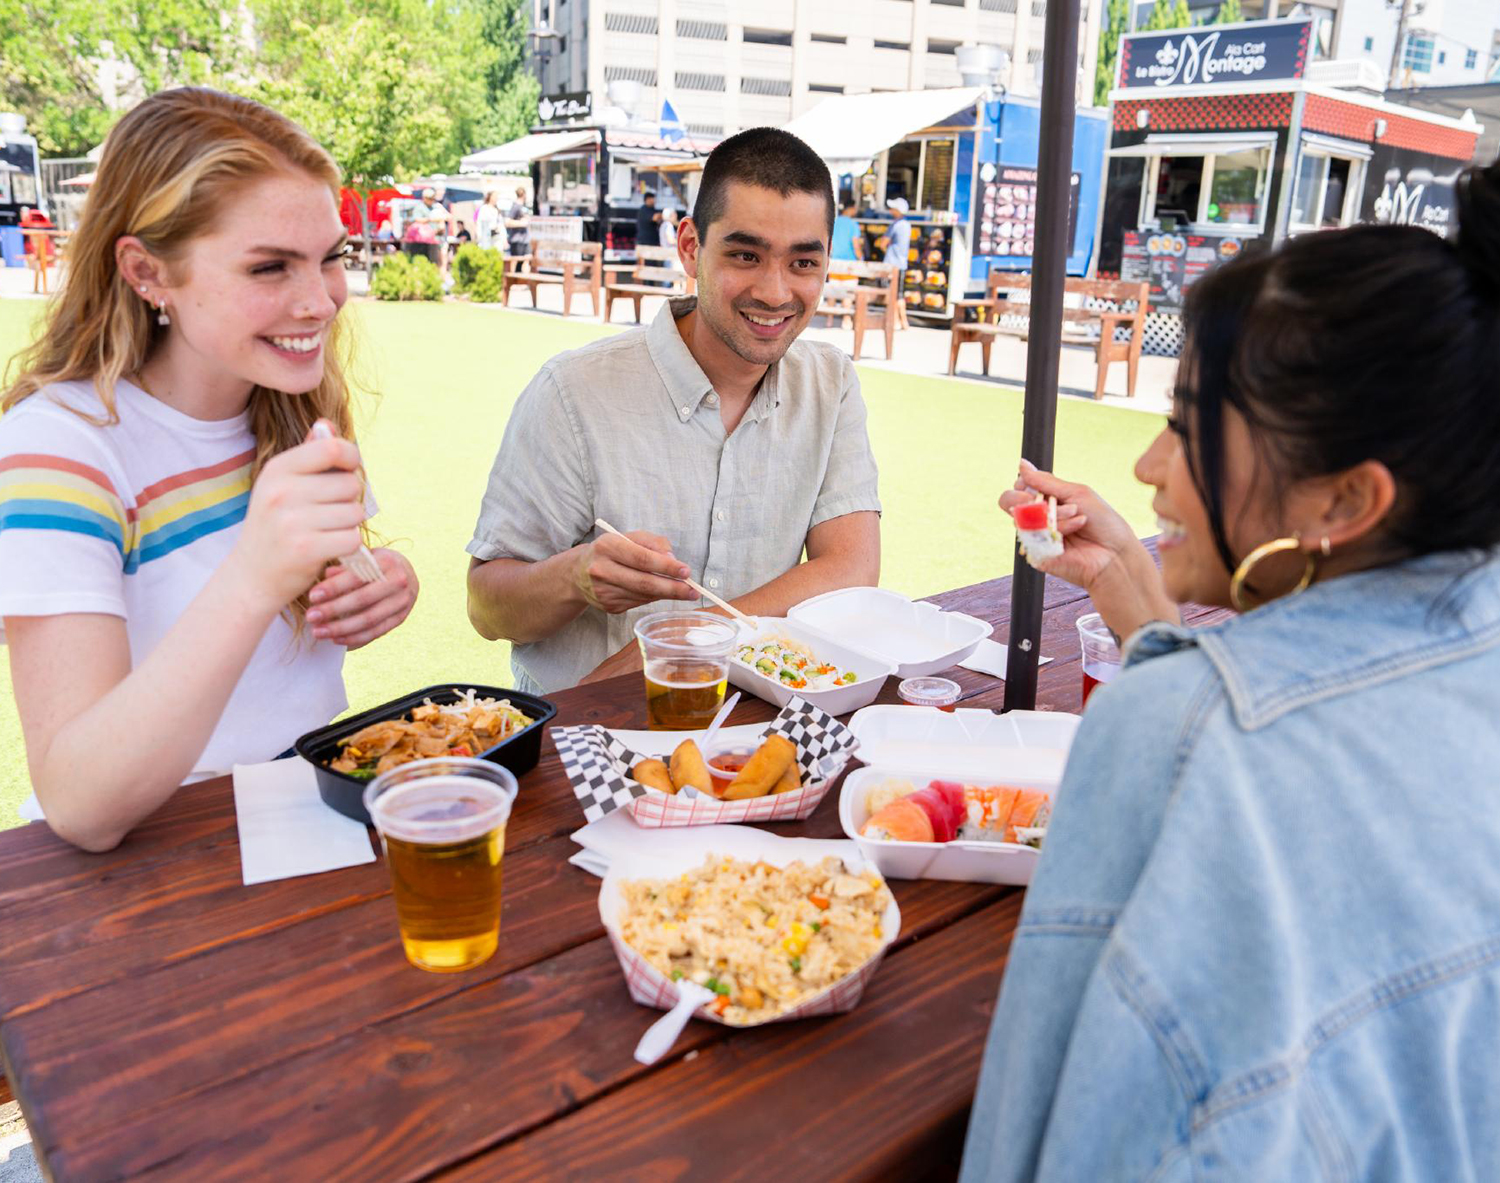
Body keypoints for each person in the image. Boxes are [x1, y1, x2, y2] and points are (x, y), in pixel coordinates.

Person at [961, 158, 1500, 1181]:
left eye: (1187, 423)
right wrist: (1139, 599)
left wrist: (1170, 686)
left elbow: (1046, 1135)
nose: (1147, 467)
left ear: (1343, 503)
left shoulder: (1179, 731)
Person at [0, 88, 419, 852]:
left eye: (331, 258)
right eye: (269, 267)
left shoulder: (291, 407)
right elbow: (80, 801)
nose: (320, 302)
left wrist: (381, 582)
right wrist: (254, 575)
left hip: (304, 830)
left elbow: (285, 661)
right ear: (146, 271)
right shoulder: (58, 449)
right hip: (152, 879)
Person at [466, 127, 882, 694]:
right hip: (587, 737)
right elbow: (487, 610)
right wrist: (575, 577)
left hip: (753, 726)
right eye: (745, 255)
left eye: (803, 263)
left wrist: (690, 641)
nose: (774, 290)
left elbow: (853, 570)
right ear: (690, 247)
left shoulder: (829, 384)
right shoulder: (575, 391)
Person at [881, 197, 911, 273]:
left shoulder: (895, 225)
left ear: (898, 210)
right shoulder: (907, 225)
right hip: (902, 265)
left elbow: (882, 245)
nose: (890, 210)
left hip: (891, 265)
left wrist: (887, 252)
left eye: (893, 208)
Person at [505, 186, 530, 258]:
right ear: (524, 194)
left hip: (524, 238)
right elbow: (507, 222)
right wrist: (521, 223)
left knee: (527, 258)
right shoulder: (515, 206)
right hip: (516, 239)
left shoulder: (523, 206)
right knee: (516, 261)